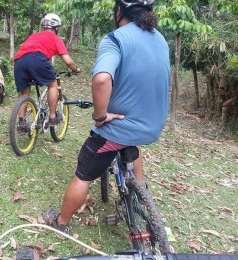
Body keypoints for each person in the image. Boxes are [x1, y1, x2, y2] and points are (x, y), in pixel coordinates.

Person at [43, 0, 170, 233]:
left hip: (118, 129)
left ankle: (61, 223)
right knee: (131, 143)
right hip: (153, 125)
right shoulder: (160, 39)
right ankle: (139, 191)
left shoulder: (116, 39)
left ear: (119, 11)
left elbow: (102, 79)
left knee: (83, 173)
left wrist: (100, 116)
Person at [14, 13, 79, 127]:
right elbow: (68, 61)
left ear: (44, 25)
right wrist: (75, 69)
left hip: (19, 61)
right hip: (37, 59)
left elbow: (23, 47)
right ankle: (52, 118)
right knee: (53, 85)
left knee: (24, 93)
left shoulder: (33, 36)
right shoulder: (56, 39)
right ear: (57, 27)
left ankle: (21, 122)